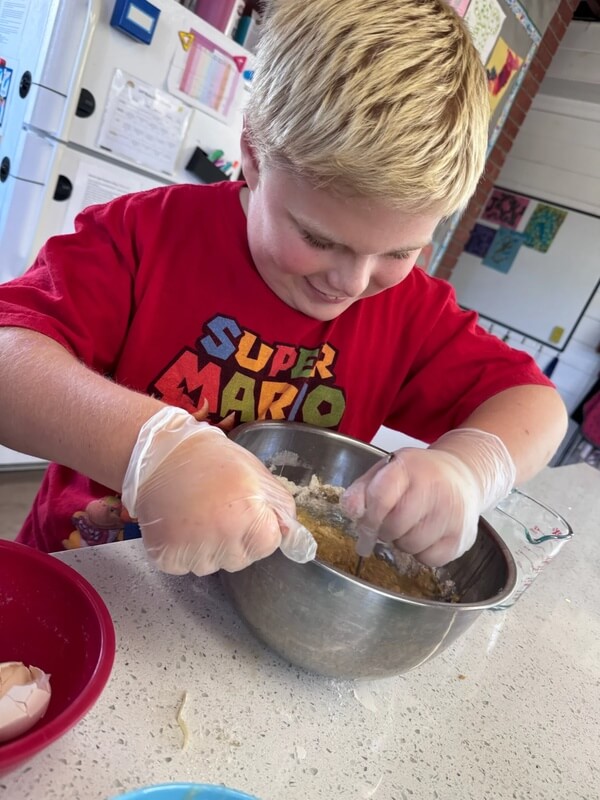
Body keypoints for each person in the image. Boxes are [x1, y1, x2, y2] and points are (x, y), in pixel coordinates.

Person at [0, 0, 567, 574]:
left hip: (252, 604)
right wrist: (151, 447)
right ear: (252, 153)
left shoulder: (409, 311)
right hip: (84, 572)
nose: (351, 282)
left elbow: (538, 406)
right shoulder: (146, 236)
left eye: (400, 251)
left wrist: (469, 468)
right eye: (319, 238)